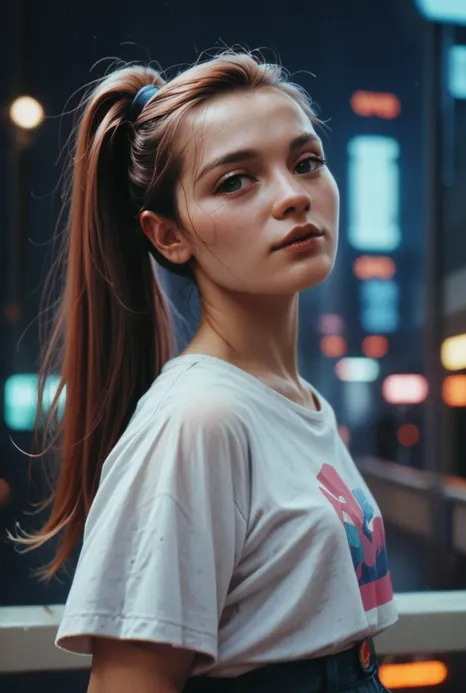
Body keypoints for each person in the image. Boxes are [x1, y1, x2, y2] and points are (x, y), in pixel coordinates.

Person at [10, 51, 397, 693]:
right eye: (235, 181)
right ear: (168, 236)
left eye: (306, 163)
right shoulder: (198, 420)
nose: (294, 196)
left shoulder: (295, 402)